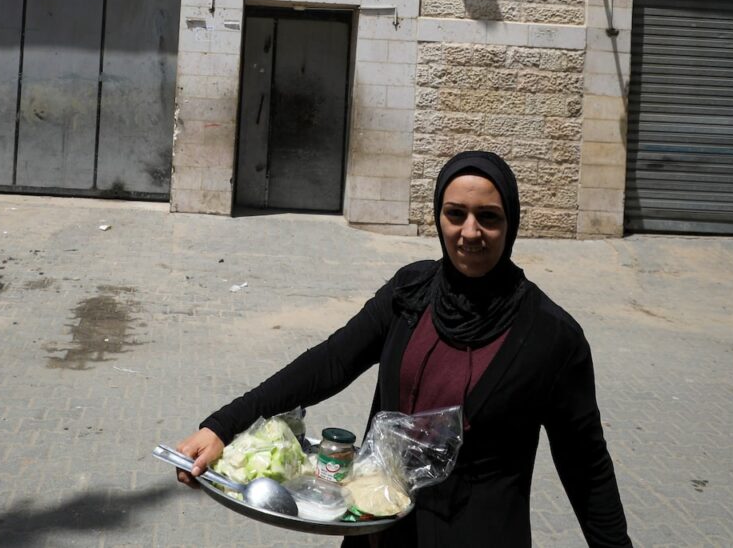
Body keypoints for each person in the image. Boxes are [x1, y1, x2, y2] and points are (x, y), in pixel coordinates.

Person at [172, 151, 631, 547]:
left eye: (488, 217)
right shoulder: (411, 292)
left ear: (511, 222)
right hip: (378, 528)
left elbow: (586, 467)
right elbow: (330, 362)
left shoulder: (551, 338)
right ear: (438, 216)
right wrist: (223, 426)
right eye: (455, 214)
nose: (470, 232)